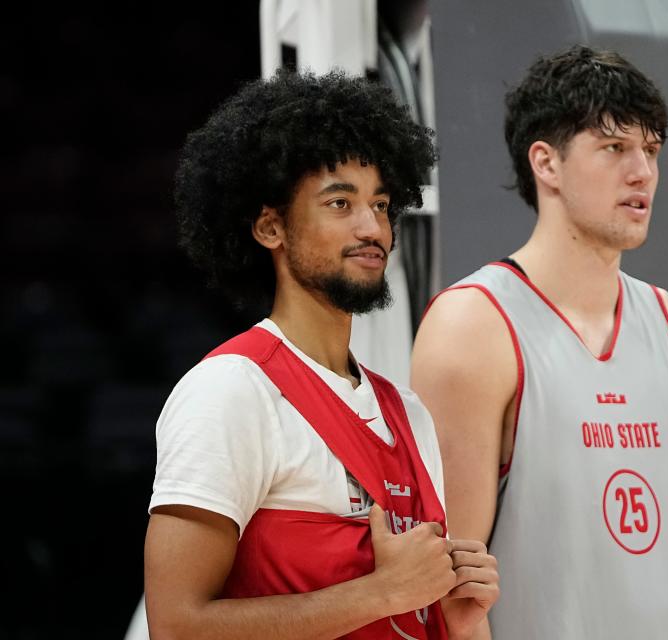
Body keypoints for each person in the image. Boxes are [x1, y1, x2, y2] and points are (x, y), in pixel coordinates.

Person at [143, 70, 498, 640]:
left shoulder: (409, 412)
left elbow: (415, 607)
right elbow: (177, 626)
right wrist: (382, 594)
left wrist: (456, 619)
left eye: (381, 204)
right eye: (340, 202)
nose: (372, 227)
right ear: (270, 227)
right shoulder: (231, 391)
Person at [410, 45, 668, 639]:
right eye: (614, 148)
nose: (643, 172)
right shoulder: (473, 326)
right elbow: (455, 592)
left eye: (651, 150)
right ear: (546, 164)